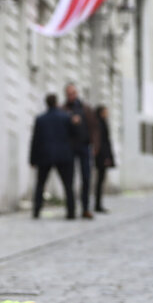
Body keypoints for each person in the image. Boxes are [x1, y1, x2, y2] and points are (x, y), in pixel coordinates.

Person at [30, 94, 76, 219]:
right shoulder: (66, 117)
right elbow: (73, 135)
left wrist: (32, 159)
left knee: (40, 185)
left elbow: (35, 140)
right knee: (68, 185)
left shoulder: (41, 119)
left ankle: (36, 210)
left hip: (45, 155)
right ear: (56, 102)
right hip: (63, 155)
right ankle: (71, 212)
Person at [63, 84, 99, 219]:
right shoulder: (64, 109)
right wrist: (69, 120)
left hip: (84, 147)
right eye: (68, 94)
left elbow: (94, 128)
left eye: (73, 93)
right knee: (69, 179)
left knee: (86, 178)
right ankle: (71, 209)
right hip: (69, 148)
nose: (71, 96)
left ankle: (85, 208)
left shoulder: (85, 109)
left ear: (76, 93)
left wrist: (95, 145)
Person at [94, 105, 116, 213]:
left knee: (100, 180)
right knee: (100, 180)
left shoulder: (102, 123)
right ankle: (98, 204)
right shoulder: (100, 124)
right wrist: (106, 157)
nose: (107, 113)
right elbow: (104, 142)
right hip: (101, 156)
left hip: (101, 155)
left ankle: (98, 204)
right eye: (105, 111)